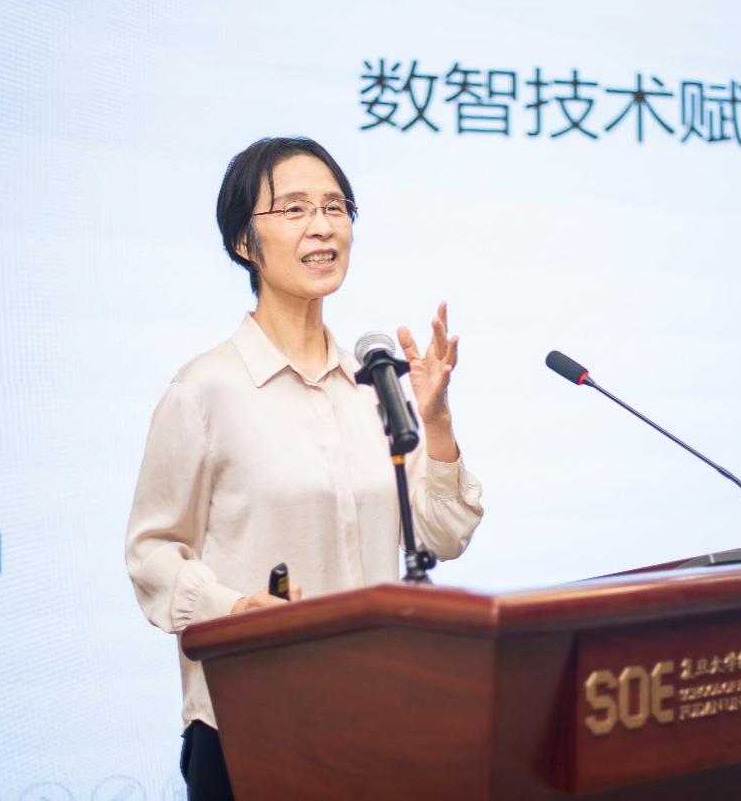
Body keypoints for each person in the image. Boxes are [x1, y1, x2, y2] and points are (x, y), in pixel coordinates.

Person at [124, 137, 484, 800]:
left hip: (380, 715)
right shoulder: (204, 391)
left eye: (334, 207)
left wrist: (435, 422)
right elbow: (152, 555)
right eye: (293, 209)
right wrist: (236, 611)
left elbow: (441, 536)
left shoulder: (373, 383)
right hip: (252, 723)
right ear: (243, 242)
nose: (322, 227)